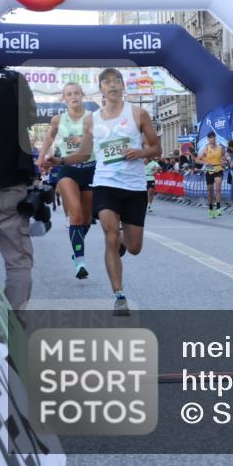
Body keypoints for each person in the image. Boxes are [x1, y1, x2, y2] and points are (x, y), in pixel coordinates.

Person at [50, 68, 162, 315]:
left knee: (134, 248)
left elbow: (157, 149)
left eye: (116, 81)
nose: (112, 86)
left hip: (133, 187)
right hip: (105, 184)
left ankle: (123, 242)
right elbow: (83, 153)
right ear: (101, 89)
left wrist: (141, 152)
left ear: (123, 86)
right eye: (107, 82)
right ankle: (119, 296)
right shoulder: (92, 120)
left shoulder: (138, 113)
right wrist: (59, 161)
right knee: (109, 235)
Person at [0, 44, 38, 310]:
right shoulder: (15, 80)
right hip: (11, 182)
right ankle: (12, 327)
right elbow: (30, 117)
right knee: (17, 260)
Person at [36, 83, 96, 279]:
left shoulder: (93, 118)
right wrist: (41, 157)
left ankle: (75, 248)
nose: (73, 97)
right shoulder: (57, 119)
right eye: (69, 94)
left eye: (77, 93)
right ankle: (80, 261)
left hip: (91, 169)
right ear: (64, 98)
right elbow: (48, 138)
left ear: (83, 95)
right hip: (68, 170)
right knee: (76, 216)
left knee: (87, 219)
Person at [197, 131, 227, 218]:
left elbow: (225, 157)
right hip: (209, 168)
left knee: (218, 188)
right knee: (210, 192)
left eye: (214, 138)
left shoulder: (220, 147)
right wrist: (206, 162)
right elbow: (198, 160)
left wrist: (224, 161)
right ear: (208, 139)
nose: (213, 139)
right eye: (211, 138)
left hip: (218, 167)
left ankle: (218, 209)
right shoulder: (206, 148)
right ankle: (211, 209)